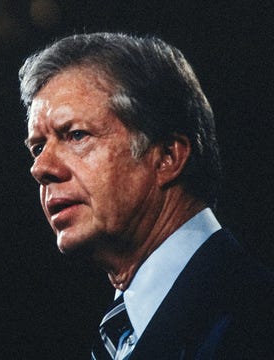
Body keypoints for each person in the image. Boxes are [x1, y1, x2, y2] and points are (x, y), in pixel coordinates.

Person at [19, 32, 273, 359]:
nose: (40, 168)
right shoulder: (115, 335)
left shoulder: (257, 318)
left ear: (167, 156)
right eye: (38, 147)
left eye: (76, 135)